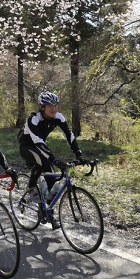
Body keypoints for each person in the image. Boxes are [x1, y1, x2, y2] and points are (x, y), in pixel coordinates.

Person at [18, 91, 85, 226]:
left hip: (41, 146)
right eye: (50, 106)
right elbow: (38, 142)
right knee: (42, 160)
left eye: (55, 105)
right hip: (27, 146)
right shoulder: (34, 119)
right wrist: (54, 159)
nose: (54, 109)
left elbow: (69, 135)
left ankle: (48, 213)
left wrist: (78, 153)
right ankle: (31, 187)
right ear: (41, 107)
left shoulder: (58, 117)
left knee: (52, 179)